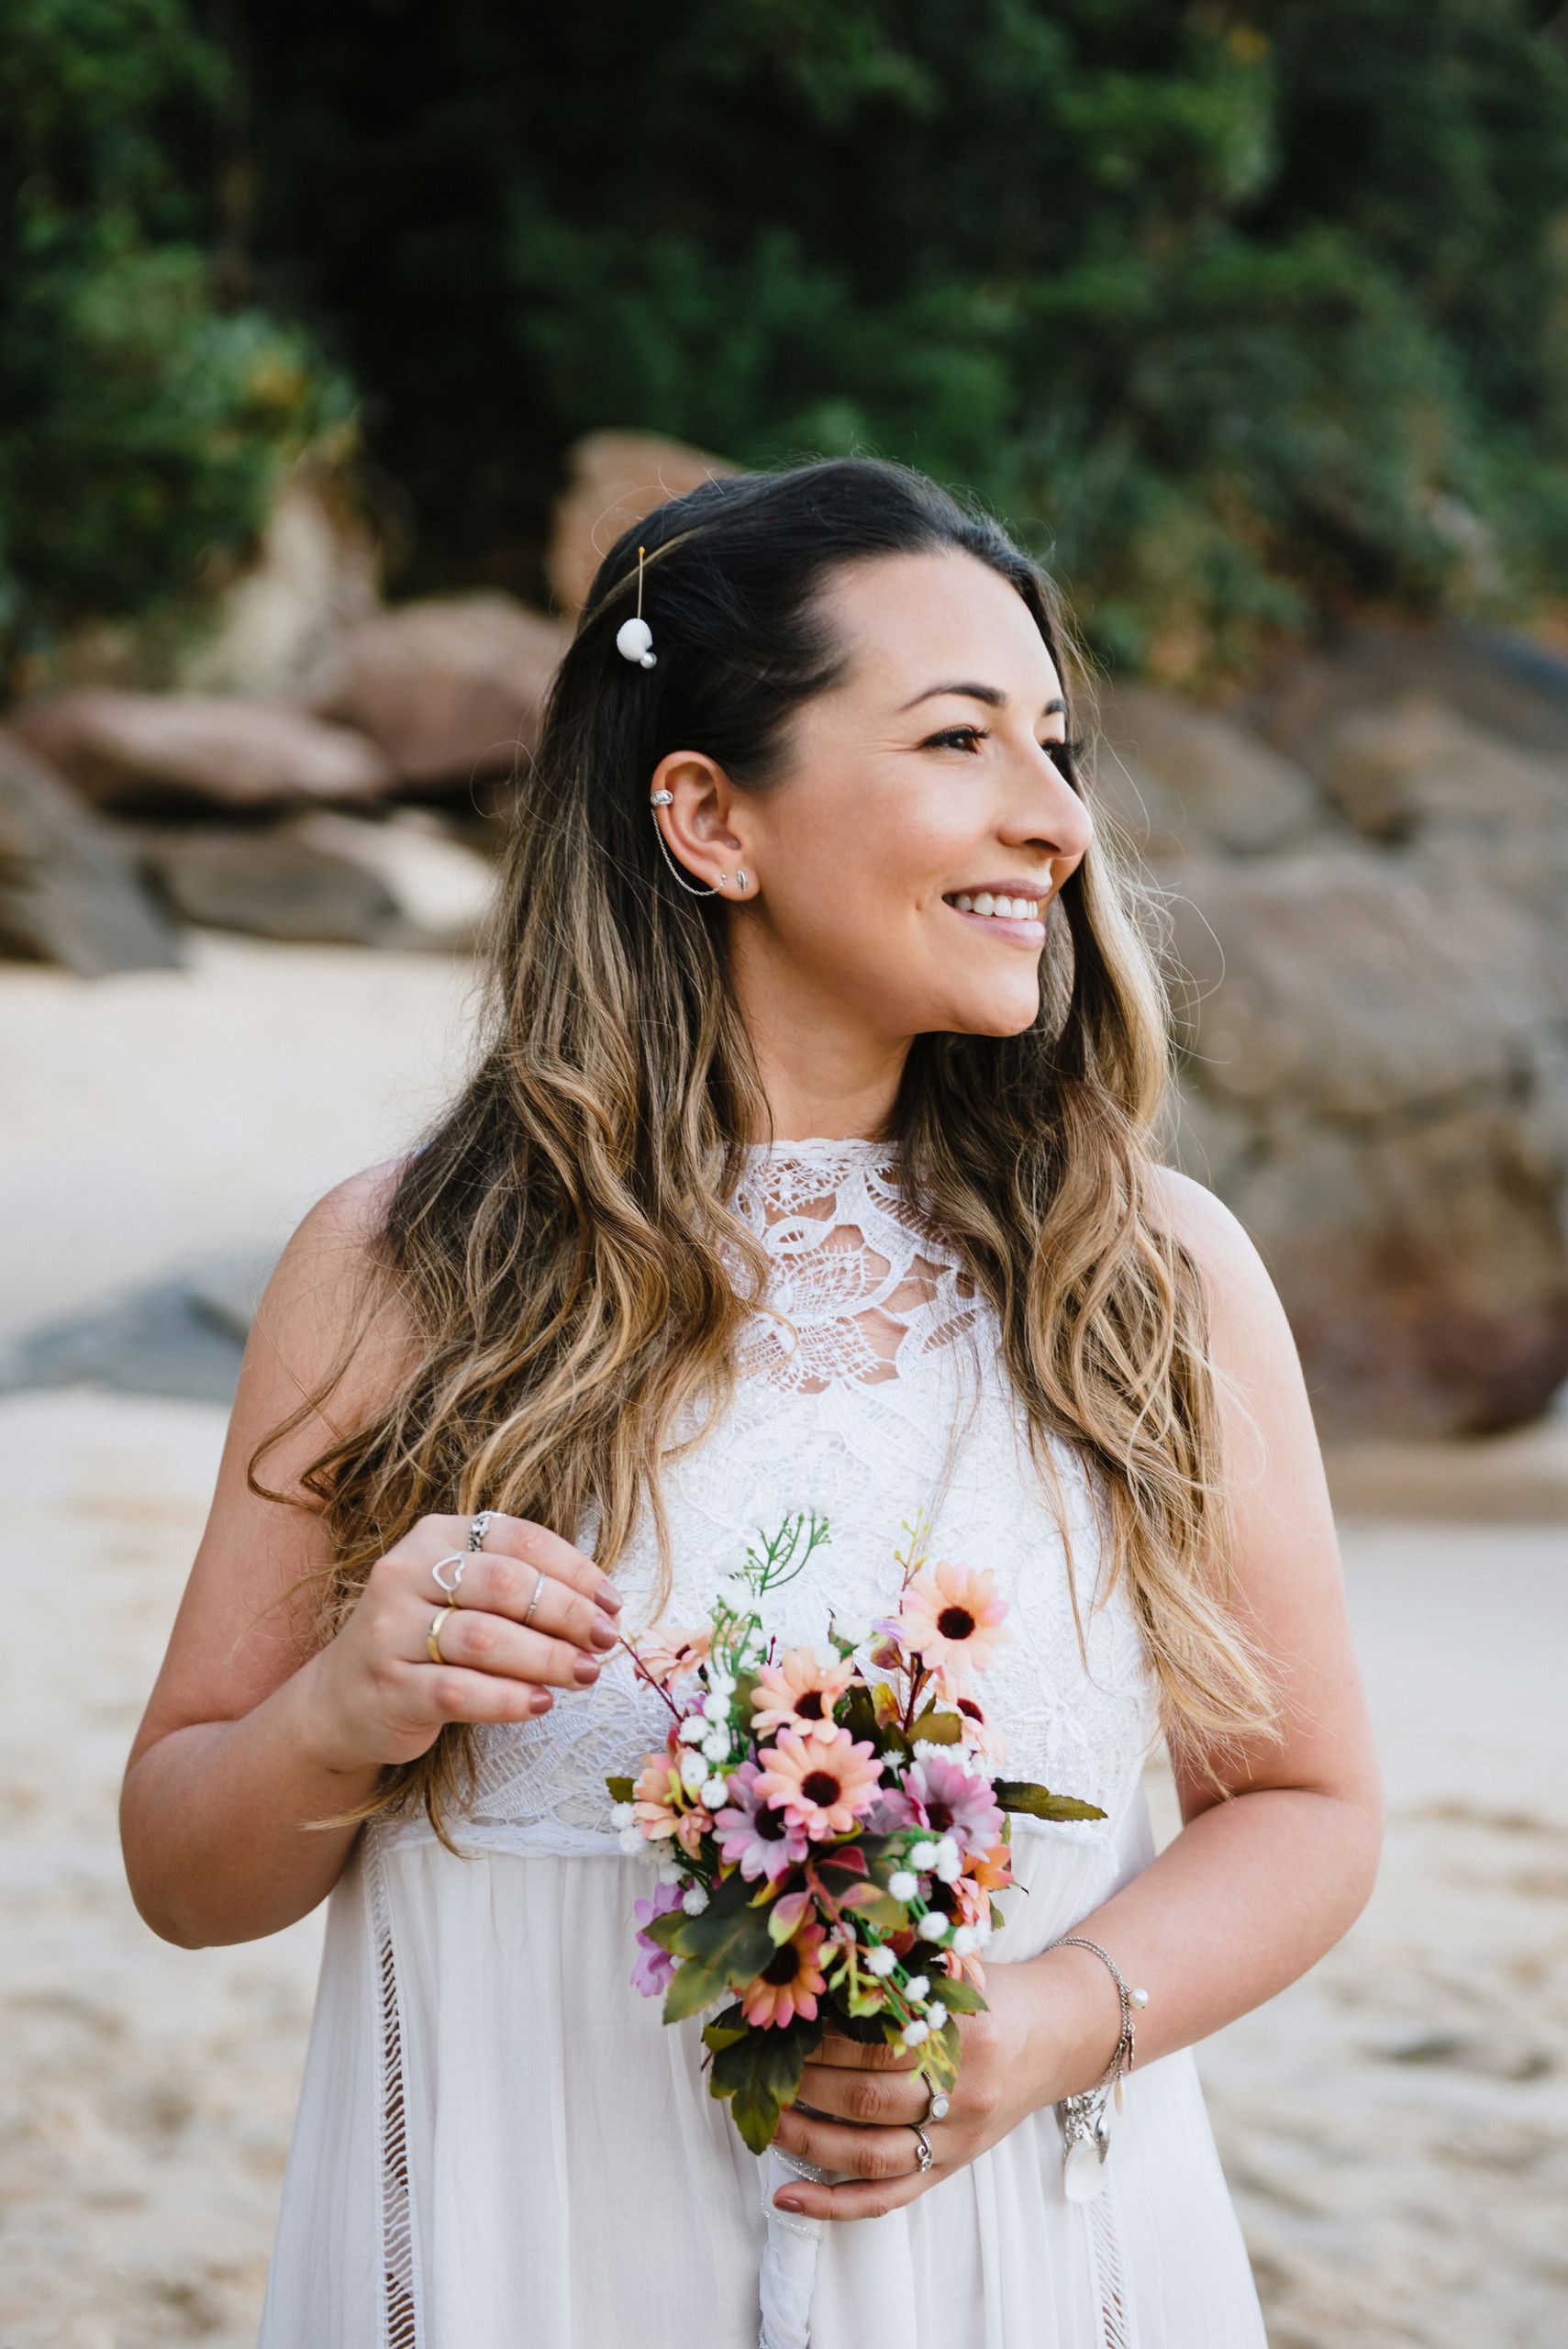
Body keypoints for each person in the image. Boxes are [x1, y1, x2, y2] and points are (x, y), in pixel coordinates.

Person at [120, 455, 1382, 2349]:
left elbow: (1305, 1799)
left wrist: (1045, 2024)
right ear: (710, 817)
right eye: (962, 739)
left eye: (1054, 743)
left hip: (1014, 2272)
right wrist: (341, 1711)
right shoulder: (401, 1266)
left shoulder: (1153, 1276)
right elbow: (181, 1865)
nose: (1053, 819)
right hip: (522, 2267)